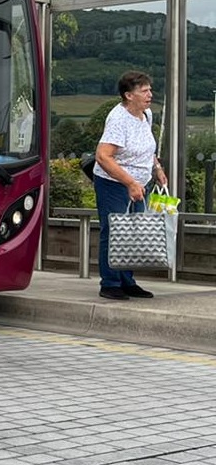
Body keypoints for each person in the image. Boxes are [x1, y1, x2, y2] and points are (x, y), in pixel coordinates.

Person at [92, 70, 168, 300]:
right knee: (115, 231)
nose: (150, 95)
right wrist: (129, 182)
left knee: (133, 232)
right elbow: (103, 156)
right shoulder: (118, 119)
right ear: (128, 95)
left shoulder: (146, 115)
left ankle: (127, 280)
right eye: (144, 91)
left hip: (139, 185)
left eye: (150, 90)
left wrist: (157, 169)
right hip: (114, 183)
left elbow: (147, 147)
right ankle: (110, 282)